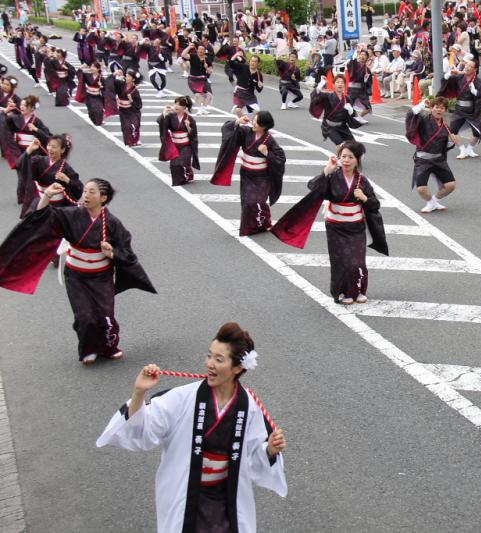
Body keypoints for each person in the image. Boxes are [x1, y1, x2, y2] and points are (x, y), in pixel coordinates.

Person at [96, 323, 287, 531]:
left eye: (219, 359)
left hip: (226, 498)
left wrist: (269, 450)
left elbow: (254, 457)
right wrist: (139, 392)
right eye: (209, 356)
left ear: (238, 367)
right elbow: (142, 429)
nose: (209, 364)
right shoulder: (182, 398)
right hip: (186, 494)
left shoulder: (248, 406)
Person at [0, 179, 156, 364]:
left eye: (92, 192)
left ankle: (109, 347)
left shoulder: (112, 223)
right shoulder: (72, 214)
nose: (86, 195)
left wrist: (112, 253)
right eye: (85, 191)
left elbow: (126, 250)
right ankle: (88, 349)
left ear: (103, 198)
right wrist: (47, 195)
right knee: (85, 316)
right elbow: (43, 216)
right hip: (76, 276)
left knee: (106, 315)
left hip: (101, 276)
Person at [272, 141, 388, 304]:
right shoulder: (333, 177)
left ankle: (358, 290)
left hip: (356, 227)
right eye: (343, 156)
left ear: (358, 160)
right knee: (340, 261)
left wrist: (364, 198)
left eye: (350, 157)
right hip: (336, 226)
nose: (346, 160)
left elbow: (375, 205)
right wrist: (327, 170)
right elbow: (313, 186)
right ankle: (343, 292)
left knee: (357, 262)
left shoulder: (362, 181)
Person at [210, 111, 286, 236]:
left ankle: (262, 222)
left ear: (264, 126)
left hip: (262, 176)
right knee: (247, 202)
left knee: (257, 201)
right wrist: (237, 122)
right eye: (253, 120)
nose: (253, 123)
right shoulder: (245, 132)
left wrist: (267, 153)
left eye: (257, 122)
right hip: (246, 173)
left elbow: (281, 159)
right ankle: (251, 227)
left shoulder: (269, 140)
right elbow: (226, 130)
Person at [405, 96, 458, 213]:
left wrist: (451, 141)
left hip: (439, 160)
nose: (439, 110)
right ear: (431, 108)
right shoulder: (423, 120)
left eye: (442, 108)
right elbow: (410, 115)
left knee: (451, 185)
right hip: (423, 161)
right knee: (421, 189)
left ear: (445, 110)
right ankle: (430, 202)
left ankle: (434, 201)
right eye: (436, 107)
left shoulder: (446, 127)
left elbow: (445, 148)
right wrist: (421, 105)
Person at [16, 134, 83, 218]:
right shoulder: (38, 161)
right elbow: (20, 165)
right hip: (39, 201)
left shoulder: (66, 169)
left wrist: (67, 180)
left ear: (62, 150)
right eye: (49, 145)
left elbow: (79, 188)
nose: (50, 149)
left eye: (54, 147)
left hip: (57, 206)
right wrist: (29, 150)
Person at [0, 95, 51, 205]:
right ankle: (23, 197)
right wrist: (5, 112)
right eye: (21, 105)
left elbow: (47, 137)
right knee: (21, 175)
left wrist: (36, 130)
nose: (21, 107)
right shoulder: (15, 118)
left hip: (34, 151)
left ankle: (34, 196)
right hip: (18, 151)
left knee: (32, 174)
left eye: (25, 105)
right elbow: (4, 125)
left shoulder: (37, 121)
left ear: (32, 108)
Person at [437, 58, 481, 159]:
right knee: (452, 131)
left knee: (477, 133)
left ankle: (470, 149)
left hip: (472, 111)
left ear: (475, 69)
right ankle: (462, 150)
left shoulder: (478, 82)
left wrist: (475, 92)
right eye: (466, 65)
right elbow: (446, 82)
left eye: (470, 66)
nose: (467, 67)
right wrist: (448, 75)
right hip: (459, 110)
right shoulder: (459, 77)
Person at [158, 95, 200, 186]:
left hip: (186, 145)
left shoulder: (190, 119)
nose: (176, 106)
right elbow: (162, 125)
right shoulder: (170, 116)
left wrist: (188, 127)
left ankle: (188, 173)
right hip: (175, 145)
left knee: (183, 162)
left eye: (179, 104)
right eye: (175, 104)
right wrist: (164, 114)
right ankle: (180, 179)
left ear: (184, 107)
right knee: (174, 164)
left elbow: (194, 135)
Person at [309, 73, 361, 146]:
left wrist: (351, 111)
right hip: (329, 126)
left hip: (342, 126)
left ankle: (341, 153)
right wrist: (321, 85)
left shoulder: (347, 99)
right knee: (340, 144)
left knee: (353, 146)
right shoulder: (327, 96)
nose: (340, 84)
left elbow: (353, 115)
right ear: (333, 85)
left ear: (344, 85)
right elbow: (315, 97)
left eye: (342, 82)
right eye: (337, 82)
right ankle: (340, 152)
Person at [227, 51, 263, 116]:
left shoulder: (258, 75)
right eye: (252, 61)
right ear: (249, 61)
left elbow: (259, 90)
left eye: (255, 61)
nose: (253, 63)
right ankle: (244, 121)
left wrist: (260, 86)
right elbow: (231, 63)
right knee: (238, 110)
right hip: (239, 92)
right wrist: (236, 55)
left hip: (250, 95)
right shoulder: (243, 67)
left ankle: (252, 122)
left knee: (256, 112)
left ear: (258, 63)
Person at [113, 69, 143, 147]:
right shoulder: (121, 84)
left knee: (135, 125)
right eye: (126, 76)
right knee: (126, 126)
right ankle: (130, 141)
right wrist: (114, 74)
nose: (126, 77)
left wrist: (131, 100)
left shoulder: (135, 91)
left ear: (133, 79)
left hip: (132, 110)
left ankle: (136, 139)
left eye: (129, 76)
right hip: (123, 110)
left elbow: (139, 105)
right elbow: (111, 82)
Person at [182, 42, 213, 114]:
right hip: (193, 79)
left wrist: (206, 68)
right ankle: (199, 109)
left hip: (203, 79)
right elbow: (183, 55)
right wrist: (189, 47)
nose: (200, 50)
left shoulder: (207, 59)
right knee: (197, 95)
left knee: (209, 95)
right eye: (199, 49)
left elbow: (210, 71)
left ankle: (203, 109)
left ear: (204, 51)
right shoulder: (193, 56)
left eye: (202, 49)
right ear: (197, 50)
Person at [74, 62, 106, 126]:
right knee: (91, 111)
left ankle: (99, 121)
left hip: (97, 96)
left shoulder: (101, 78)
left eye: (94, 67)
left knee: (99, 109)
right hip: (89, 96)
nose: (92, 68)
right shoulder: (87, 75)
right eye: (91, 66)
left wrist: (101, 86)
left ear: (98, 69)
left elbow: (106, 88)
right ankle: (95, 120)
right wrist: (81, 67)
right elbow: (79, 75)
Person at [346, 49, 372, 123]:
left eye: (365, 55)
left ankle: (359, 117)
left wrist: (368, 89)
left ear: (367, 58)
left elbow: (369, 82)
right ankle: (346, 118)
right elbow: (349, 65)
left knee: (368, 108)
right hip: (352, 89)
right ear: (359, 56)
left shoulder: (367, 70)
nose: (362, 56)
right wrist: (354, 58)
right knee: (348, 106)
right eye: (361, 54)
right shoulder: (354, 64)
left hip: (361, 90)